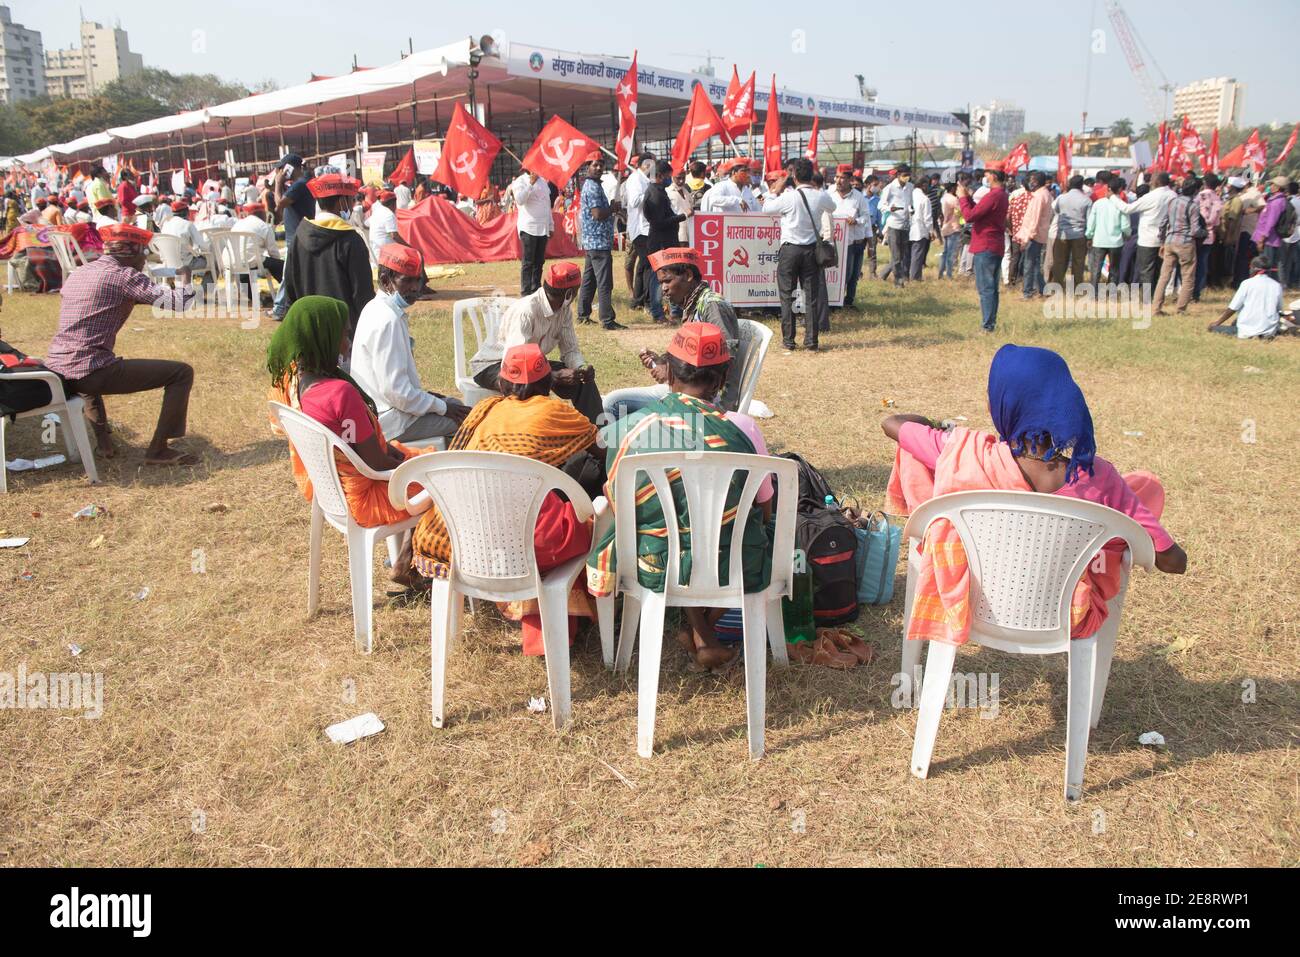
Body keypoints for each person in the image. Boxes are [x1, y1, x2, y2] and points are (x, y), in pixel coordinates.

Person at [882, 343, 1186, 648]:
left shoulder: (963, 454)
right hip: (1066, 617)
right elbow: (1174, 562)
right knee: (1142, 486)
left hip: (969, 604)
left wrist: (933, 426)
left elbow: (891, 423)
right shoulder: (1101, 479)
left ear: (1001, 405)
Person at [587, 323, 775, 670]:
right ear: (722, 378)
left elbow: (618, 503)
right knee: (743, 536)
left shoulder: (632, 429)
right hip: (734, 563)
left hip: (655, 561)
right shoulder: (743, 428)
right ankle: (703, 629)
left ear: (669, 373)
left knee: (677, 535)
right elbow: (764, 506)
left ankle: (698, 629)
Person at [409, 342, 603, 653]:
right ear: (548, 382)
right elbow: (600, 448)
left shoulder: (483, 410)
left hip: (466, 535)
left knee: (538, 508)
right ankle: (561, 628)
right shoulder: (554, 411)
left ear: (502, 383)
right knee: (584, 519)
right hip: (523, 544)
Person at [267, 295, 429, 593]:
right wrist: (410, 466)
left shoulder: (291, 380)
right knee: (442, 480)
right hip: (364, 496)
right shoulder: (339, 394)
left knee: (423, 458)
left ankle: (408, 557)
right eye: (343, 334)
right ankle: (414, 564)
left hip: (331, 490)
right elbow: (376, 464)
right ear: (323, 338)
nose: (347, 343)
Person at [43, 223, 198, 466]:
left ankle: (104, 445)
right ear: (132, 252)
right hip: (90, 371)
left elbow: (104, 301)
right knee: (181, 373)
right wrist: (185, 277)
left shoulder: (80, 272)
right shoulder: (124, 276)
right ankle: (158, 450)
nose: (145, 260)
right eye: (143, 253)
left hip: (57, 369)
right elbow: (180, 303)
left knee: (88, 370)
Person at [603, 247, 752, 419]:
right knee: (613, 401)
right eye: (661, 283)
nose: (664, 289)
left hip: (706, 399)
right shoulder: (694, 304)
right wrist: (664, 362)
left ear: (688, 275)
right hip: (686, 389)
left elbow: (724, 362)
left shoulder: (712, 305)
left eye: (667, 281)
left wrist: (671, 373)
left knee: (614, 405)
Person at [471, 260, 604, 424]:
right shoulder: (526, 311)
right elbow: (516, 367)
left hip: (530, 364)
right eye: (576, 292)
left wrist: (580, 368)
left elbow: (570, 350)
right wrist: (552, 376)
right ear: (569, 294)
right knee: (528, 386)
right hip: (493, 365)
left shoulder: (564, 310)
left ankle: (599, 435)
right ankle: (531, 436)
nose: (575, 296)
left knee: (584, 382)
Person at [281, 172, 374, 333]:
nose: (352, 206)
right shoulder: (350, 240)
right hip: (344, 334)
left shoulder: (299, 236)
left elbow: (290, 286)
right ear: (341, 202)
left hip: (309, 329)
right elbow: (362, 295)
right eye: (351, 200)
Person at [764, 157, 835, 352]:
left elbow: (766, 208)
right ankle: (811, 341)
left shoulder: (789, 196)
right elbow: (833, 207)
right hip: (811, 250)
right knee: (811, 295)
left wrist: (774, 189)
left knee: (787, 296)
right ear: (812, 176)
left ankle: (789, 341)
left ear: (794, 176)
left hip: (789, 250)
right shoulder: (820, 196)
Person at [575, 153, 624, 330]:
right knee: (604, 282)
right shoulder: (593, 187)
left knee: (589, 280)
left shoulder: (591, 185)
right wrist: (612, 208)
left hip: (593, 242)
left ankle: (583, 314)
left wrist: (610, 207)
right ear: (587, 166)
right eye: (595, 165)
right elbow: (597, 214)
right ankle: (607, 319)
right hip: (599, 242)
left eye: (601, 165)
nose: (598, 168)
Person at [958, 162, 1009, 332]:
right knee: (991, 288)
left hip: (985, 245)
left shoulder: (993, 196)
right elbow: (979, 213)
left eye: (987, 174)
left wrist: (963, 198)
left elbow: (969, 216)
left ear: (993, 176)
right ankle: (990, 323)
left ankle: (987, 326)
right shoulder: (1001, 195)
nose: (985, 178)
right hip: (994, 244)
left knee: (986, 288)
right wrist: (969, 199)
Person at [642, 159, 689, 324]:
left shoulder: (659, 191)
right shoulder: (654, 194)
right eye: (669, 176)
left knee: (671, 276)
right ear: (660, 176)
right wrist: (683, 216)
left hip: (666, 241)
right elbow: (659, 222)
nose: (670, 179)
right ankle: (657, 313)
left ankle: (674, 311)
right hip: (660, 243)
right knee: (659, 279)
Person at [271, 154, 315, 321]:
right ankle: (285, 307)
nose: (280, 172)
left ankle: (279, 309)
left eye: (282, 168)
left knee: (288, 272)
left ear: (290, 167)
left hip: (297, 235)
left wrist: (277, 183)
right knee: (293, 272)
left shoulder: (299, 185)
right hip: (298, 233)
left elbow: (278, 205)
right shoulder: (298, 185)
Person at [1152, 177, 1205, 316]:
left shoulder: (1172, 202)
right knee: (1188, 277)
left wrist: (1162, 242)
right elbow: (1195, 230)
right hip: (1185, 243)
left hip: (1170, 241)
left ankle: (1155, 308)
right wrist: (1205, 232)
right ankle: (1180, 310)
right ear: (1195, 191)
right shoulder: (1193, 206)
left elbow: (1163, 223)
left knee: (1164, 276)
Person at [1206, 256, 1294, 339]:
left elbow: (1233, 308)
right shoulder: (1276, 285)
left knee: (1213, 328)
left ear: (1253, 269)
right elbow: (1278, 309)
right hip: (1269, 332)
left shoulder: (1247, 283)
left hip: (1246, 331)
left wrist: (1217, 323)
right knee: (1236, 322)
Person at [1119, 171, 1173, 289]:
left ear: (1157, 182)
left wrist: (1112, 196)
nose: (1150, 181)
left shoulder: (1151, 196)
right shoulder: (1173, 195)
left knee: (1146, 271)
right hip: (1165, 239)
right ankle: (1155, 296)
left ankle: (1148, 298)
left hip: (1148, 239)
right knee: (1158, 270)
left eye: (1152, 178)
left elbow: (1127, 209)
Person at [831, 164, 872, 305]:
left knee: (853, 275)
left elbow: (866, 217)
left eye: (842, 178)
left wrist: (856, 221)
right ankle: (836, 301)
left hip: (856, 241)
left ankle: (849, 301)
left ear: (850, 180)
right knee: (842, 274)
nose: (838, 181)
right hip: (837, 243)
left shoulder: (858, 197)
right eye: (837, 177)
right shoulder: (829, 195)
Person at [511, 169, 553, 295]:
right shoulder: (520, 181)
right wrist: (530, 183)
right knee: (528, 262)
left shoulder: (544, 182)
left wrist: (551, 225)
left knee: (539, 262)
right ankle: (525, 293)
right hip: (529, 227)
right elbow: (519, 200)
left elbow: (547, 204)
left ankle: (536, 290)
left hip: (543, 227)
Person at [622, 153, 654, 310]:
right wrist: (650, 193)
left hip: (647, 227)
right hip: (640, 228)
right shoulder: (635, 179)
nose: (653, 168)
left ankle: (638, 301)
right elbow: (634, 201)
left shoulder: (647, 180)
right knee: (647, 265)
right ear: (643, 164)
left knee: (643, 265)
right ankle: (646, 301)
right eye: (651, 164)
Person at [1049, 174, 1091, 288]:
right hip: (1079, 235)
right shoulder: (1086, 200)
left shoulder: (1062, 198)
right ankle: (1077, 287)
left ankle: (1057, 286)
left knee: (1059, 262)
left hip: (1062, 234)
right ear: (1081, 185)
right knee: (1078, 263)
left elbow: (1056, 211)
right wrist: (1089, 237)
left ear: (1069, 185)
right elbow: (1089, 220)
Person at [1015, 171, 1052, 298]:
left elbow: (1035, 219)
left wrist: (1028, 237)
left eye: (1032, 180)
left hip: (1034, 235)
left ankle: (1028, 292)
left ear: (1035, 181)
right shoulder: (1045, 194)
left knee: (1028, 264)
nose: (1030, 182)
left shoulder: (1039, 196)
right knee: (1034, 264)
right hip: (1039, 233)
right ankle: (1043, 289)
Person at [1085, 183, 1129, 288]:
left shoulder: (1098, 204)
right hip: (1116, 242)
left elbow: (1091, 223)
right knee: (1114, 268)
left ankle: (1093, 293)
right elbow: (1125, 226)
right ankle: (1111, 293)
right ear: (1119, 190)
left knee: (1096, 268)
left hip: (1099, 241)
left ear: (1108, 190)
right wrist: (1127, 234)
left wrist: (1089, 236)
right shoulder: (1121, 204)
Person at [230, 201, 284, 285]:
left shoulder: (237, 224)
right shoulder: (263, 226)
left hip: (231, 261)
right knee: (281, 265)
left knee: (248, 262)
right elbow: (274, 253)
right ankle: (288, 292)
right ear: (262, 213)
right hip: (251, 262)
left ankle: (249, 295)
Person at [878, 163, 913, 287]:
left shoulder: (910, 187)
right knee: (896, 255)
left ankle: (883, 274)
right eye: (904, 175)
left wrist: (911, 210)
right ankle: (898, 282)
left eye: (908, 175)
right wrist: (889, 209)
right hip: (893, 225)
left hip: (905, 225)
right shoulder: (890, 188)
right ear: (898, 175)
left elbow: (910, 203)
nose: (907, 178)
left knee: (901, 255)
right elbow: (880, 205)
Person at [160, 202, 209, 283]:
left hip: (168, 263)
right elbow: (203, 246)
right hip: (185, 264)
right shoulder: (188, 224)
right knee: (206, 262)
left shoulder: (165, 225)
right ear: (186, 212)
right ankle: (203, 289)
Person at [1193, 173, 1223, 301]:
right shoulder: (1217, 199)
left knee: (1192, 264)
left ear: (1204, 183)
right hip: (1209, 235)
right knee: (1202, 264)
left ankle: (1189, 291)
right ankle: (1197, 292)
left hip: (1196, 233)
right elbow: (1217, 222)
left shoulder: (1200, 196)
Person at [1253, 176, 1293, 271]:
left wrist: (1262, 239)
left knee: (1266, 265)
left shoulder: (1277, 202)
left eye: (1272, 185)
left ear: (1277, 187)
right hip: (1271, 239)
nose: (1270, 186)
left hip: (1270, 240)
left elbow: (1271, 222)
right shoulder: (1277, 200)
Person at [908, 179, 936, 281]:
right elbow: (927, 218)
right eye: (928, 185)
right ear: (923, 185)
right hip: (920, 230)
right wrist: (931, 231)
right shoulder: (925, 199)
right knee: (917, 255)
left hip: (907, 229)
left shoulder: (909, 196)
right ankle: (915, 278)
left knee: (905, 255)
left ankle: (904, 276)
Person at [367, 189, 400, 264]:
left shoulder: (377, 211)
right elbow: (394, 236)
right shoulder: (389, 214)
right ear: (394, 204)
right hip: (385, 256)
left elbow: (366, 224)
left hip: (375, 251)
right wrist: (409, 247)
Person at [937, 181, 961, 280]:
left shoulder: (944, 197)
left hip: (945, 226)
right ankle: (949, 274)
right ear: (953, 188)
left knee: (945, 252)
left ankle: (941, 272)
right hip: (953, 227)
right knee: (951, 253)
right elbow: (962, 210)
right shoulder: (953, 199)